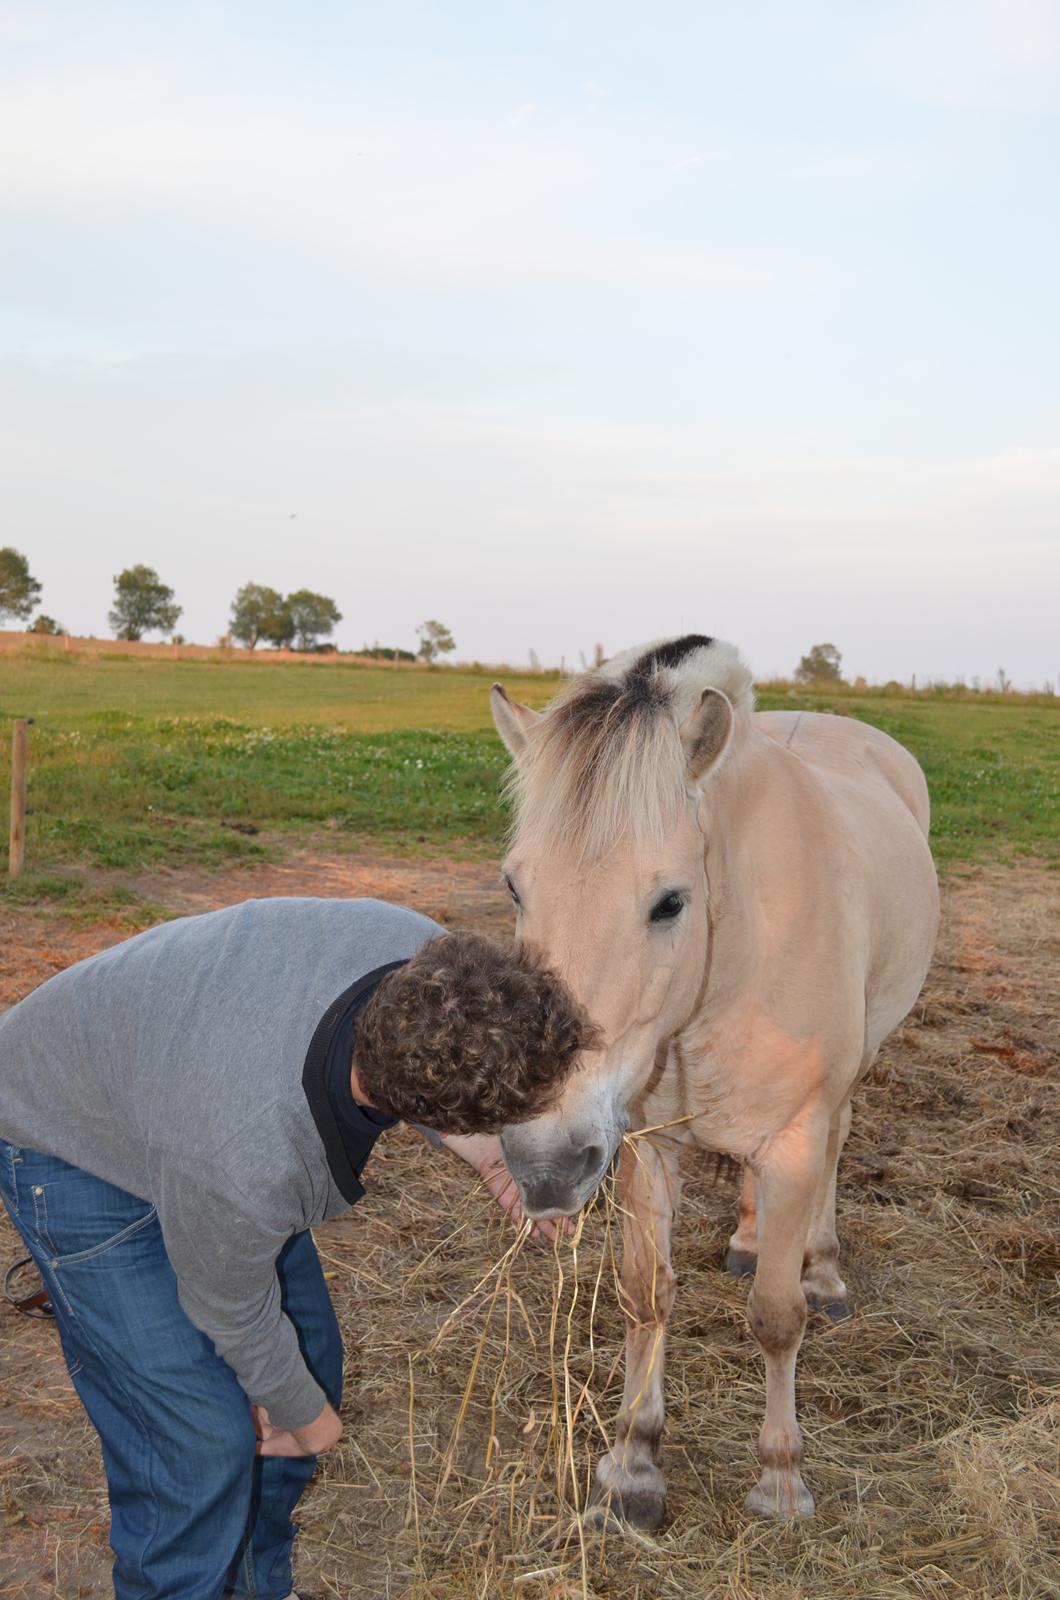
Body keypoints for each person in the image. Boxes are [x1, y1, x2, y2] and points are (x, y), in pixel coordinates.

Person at [0, 896, 594, 1600]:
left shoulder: (421, 960)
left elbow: (433, 1062)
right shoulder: (252, 1154)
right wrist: (309, 1425)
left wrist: (491, 1156)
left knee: (305, 1362)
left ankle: (258, 1586)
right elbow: (229, 1304)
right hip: (67, 1136)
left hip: (177, 1087)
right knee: (198, 1440)